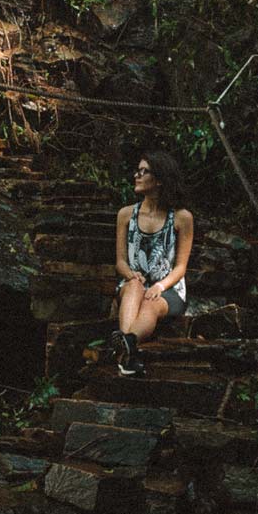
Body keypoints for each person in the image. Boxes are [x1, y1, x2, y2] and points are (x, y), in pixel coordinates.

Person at [109, 151, 193, 377]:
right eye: (137, 170)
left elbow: (180, 267)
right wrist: (131, 275)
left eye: (143, 171)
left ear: (160, 179)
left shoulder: (182, 218)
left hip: (168, 290)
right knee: (135, 287)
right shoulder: (125, 214)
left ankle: (126, 347)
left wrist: (159, 287)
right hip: (132, 285)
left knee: (151, 304)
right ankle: (128, 351)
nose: (136, 175)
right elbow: (120, 261)